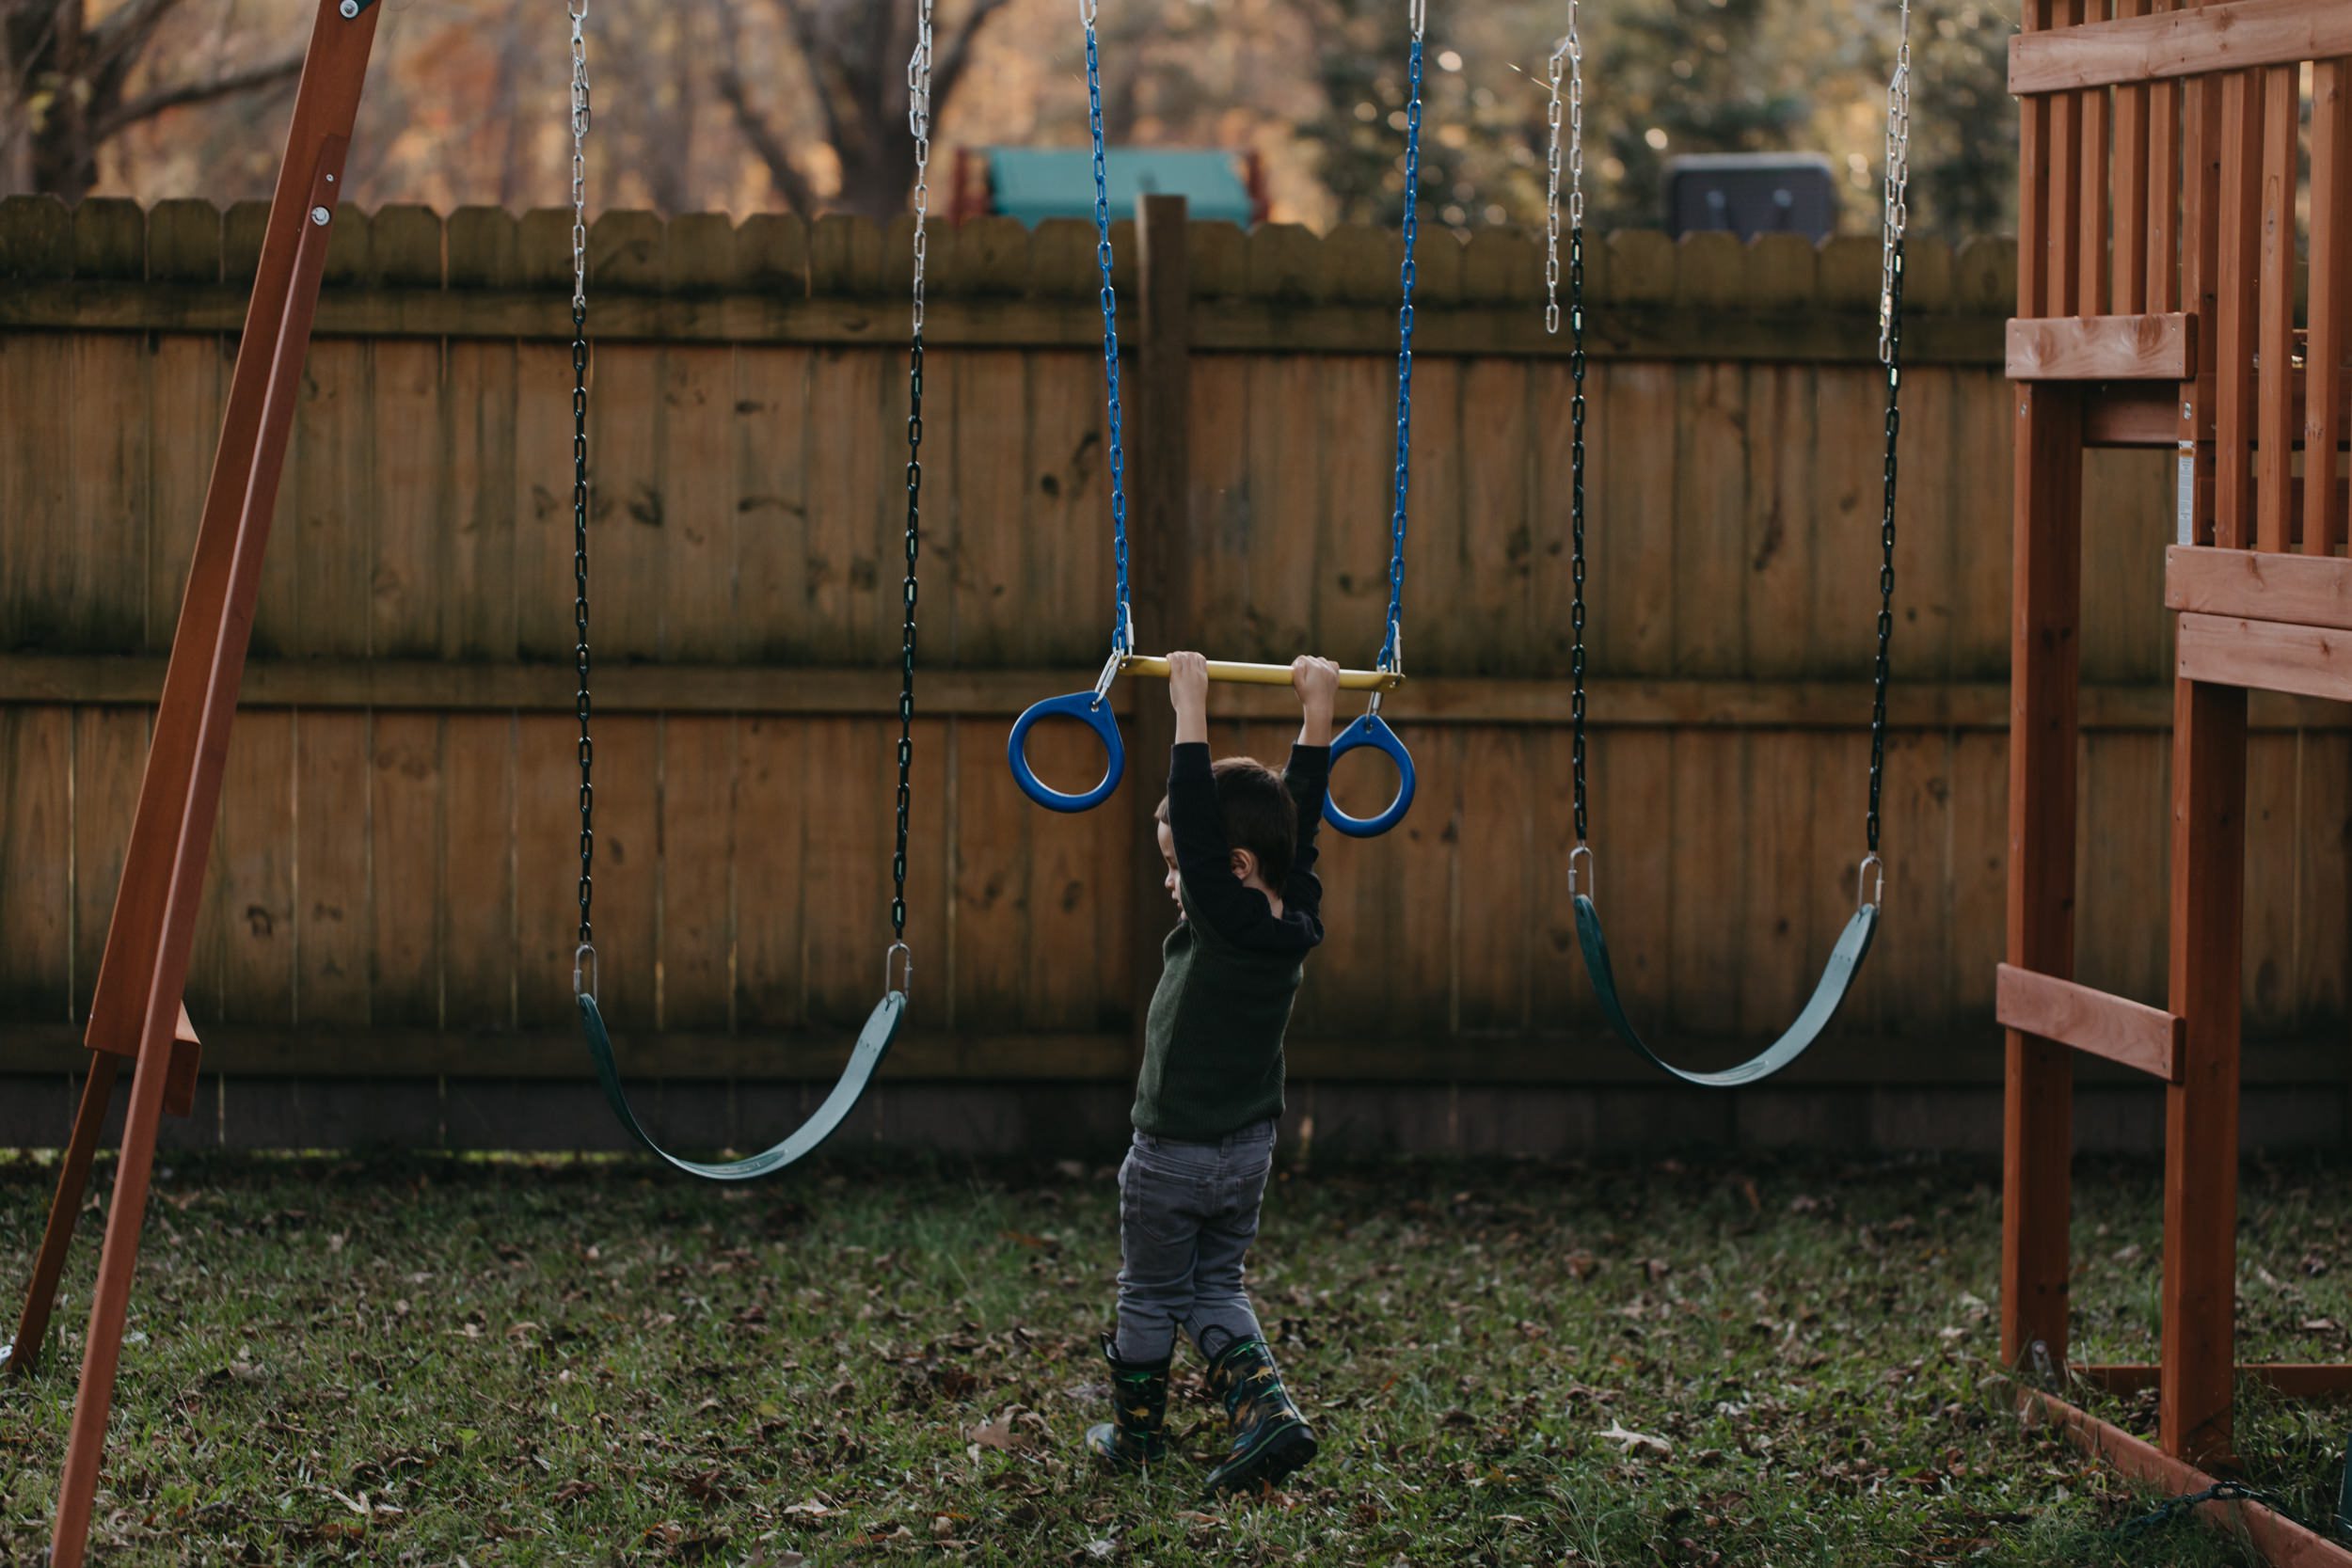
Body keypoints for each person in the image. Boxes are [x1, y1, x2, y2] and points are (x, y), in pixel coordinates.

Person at [1086, 651, 1338, 1495]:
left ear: (1230, 868)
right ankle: (1268, 1413)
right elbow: (1300, 821)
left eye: (1178, 866)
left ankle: (1138, 1440)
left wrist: (1188, 709)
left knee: (1152, 1294)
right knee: (1216, 1284)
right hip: (1248, 1151)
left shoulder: (1224, 919)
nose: (1172, 876)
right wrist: (1317, 715)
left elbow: (1198, 825)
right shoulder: (1292, 910)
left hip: (1174, 1154)